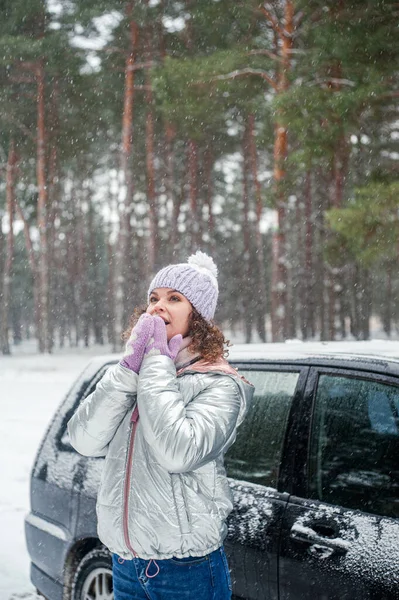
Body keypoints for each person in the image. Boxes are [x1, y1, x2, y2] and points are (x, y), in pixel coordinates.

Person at [68, 250, 254, 600]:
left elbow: (178, 453)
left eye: (174, 298)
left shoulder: (219, 383)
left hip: (186, 571)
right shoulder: (135, 375)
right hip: (125, 565)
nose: (158, 306)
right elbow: (84, 440)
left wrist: (154, 363)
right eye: (153, 298)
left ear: (197, 315)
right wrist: (127, 370)